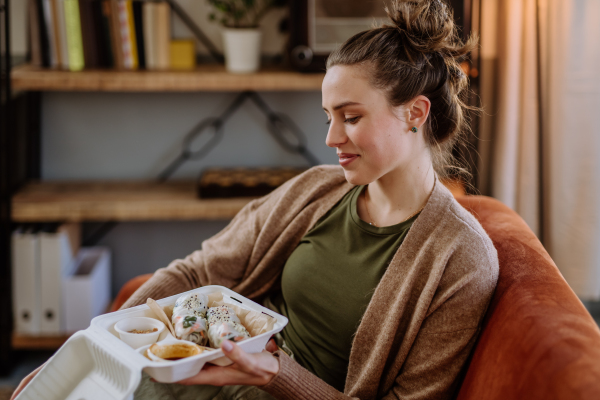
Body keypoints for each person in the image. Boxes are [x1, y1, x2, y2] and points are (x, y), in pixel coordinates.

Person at [11, 1, 498, 399]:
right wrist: (93, 346)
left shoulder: (461, 259)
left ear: (415, 113)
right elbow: (198, 272)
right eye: (327, 116)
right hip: (186, 376)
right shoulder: (318, 190)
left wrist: (272, 372)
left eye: (350, 117)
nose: (331, 138)